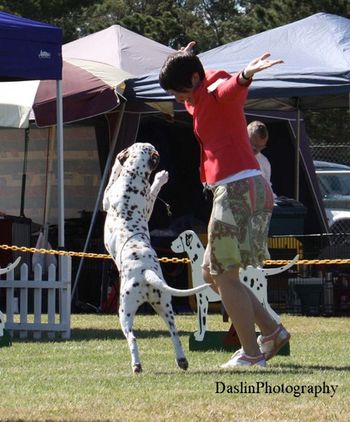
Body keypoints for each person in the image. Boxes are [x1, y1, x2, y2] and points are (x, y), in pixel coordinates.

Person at [159, 42, 290, 368]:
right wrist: (185, 59)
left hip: (237, 190)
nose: (177, 99)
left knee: (222, 273)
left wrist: (246, 75)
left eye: (178, 91)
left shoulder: (217, 90)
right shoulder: (199, 98)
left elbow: (229, 89)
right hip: (246, 190)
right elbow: (200, 99)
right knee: (212, 272)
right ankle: (272, 332)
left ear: (192, 80)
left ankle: (251, 354)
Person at [247, 120, 276, 198]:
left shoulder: (264, 162)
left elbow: (267, 186)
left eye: (260, 147)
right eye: (253, 145)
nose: (256, 150)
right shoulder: (233, 156)